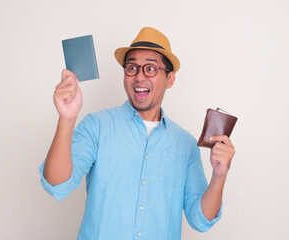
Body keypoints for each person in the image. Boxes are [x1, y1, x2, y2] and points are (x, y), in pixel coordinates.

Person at [39, 27, 235, 239]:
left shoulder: (186, 145)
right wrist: (66, 119)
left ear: (170, 79)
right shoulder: (97, 126)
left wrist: (219, 176)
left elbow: (201, 219)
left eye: (150, 68)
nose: (139, 77)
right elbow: (56, 184)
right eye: (132, 67)